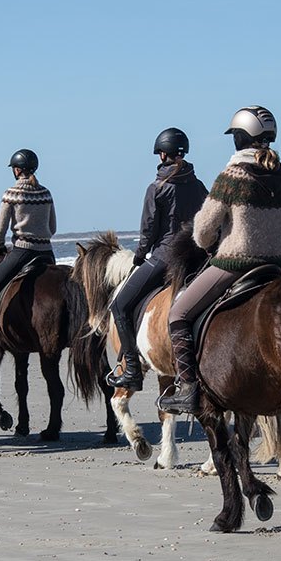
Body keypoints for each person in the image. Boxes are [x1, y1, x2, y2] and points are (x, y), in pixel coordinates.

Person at [158, 106, 281, 414]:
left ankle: (187, 389)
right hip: (273, 268)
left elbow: (203, 230)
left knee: (179, 314)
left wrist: (213, 244)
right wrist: (272, 244)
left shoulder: (232, 175)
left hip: (232, 266)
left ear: (240, 137)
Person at [105, 127, 208, 391]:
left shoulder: (157, 187)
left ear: (162, 154)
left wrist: (139, 257)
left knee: (119, 306)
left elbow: (148, 230)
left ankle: (131, 369)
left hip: (165, 256)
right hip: (196, 259)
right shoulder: (199, 186)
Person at [0, 149, 57, 299]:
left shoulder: (11, 194)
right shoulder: (46, 193)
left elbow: (0, 230)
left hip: (22, 252)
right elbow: (52, 228)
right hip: (47, 253)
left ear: (17, 170)